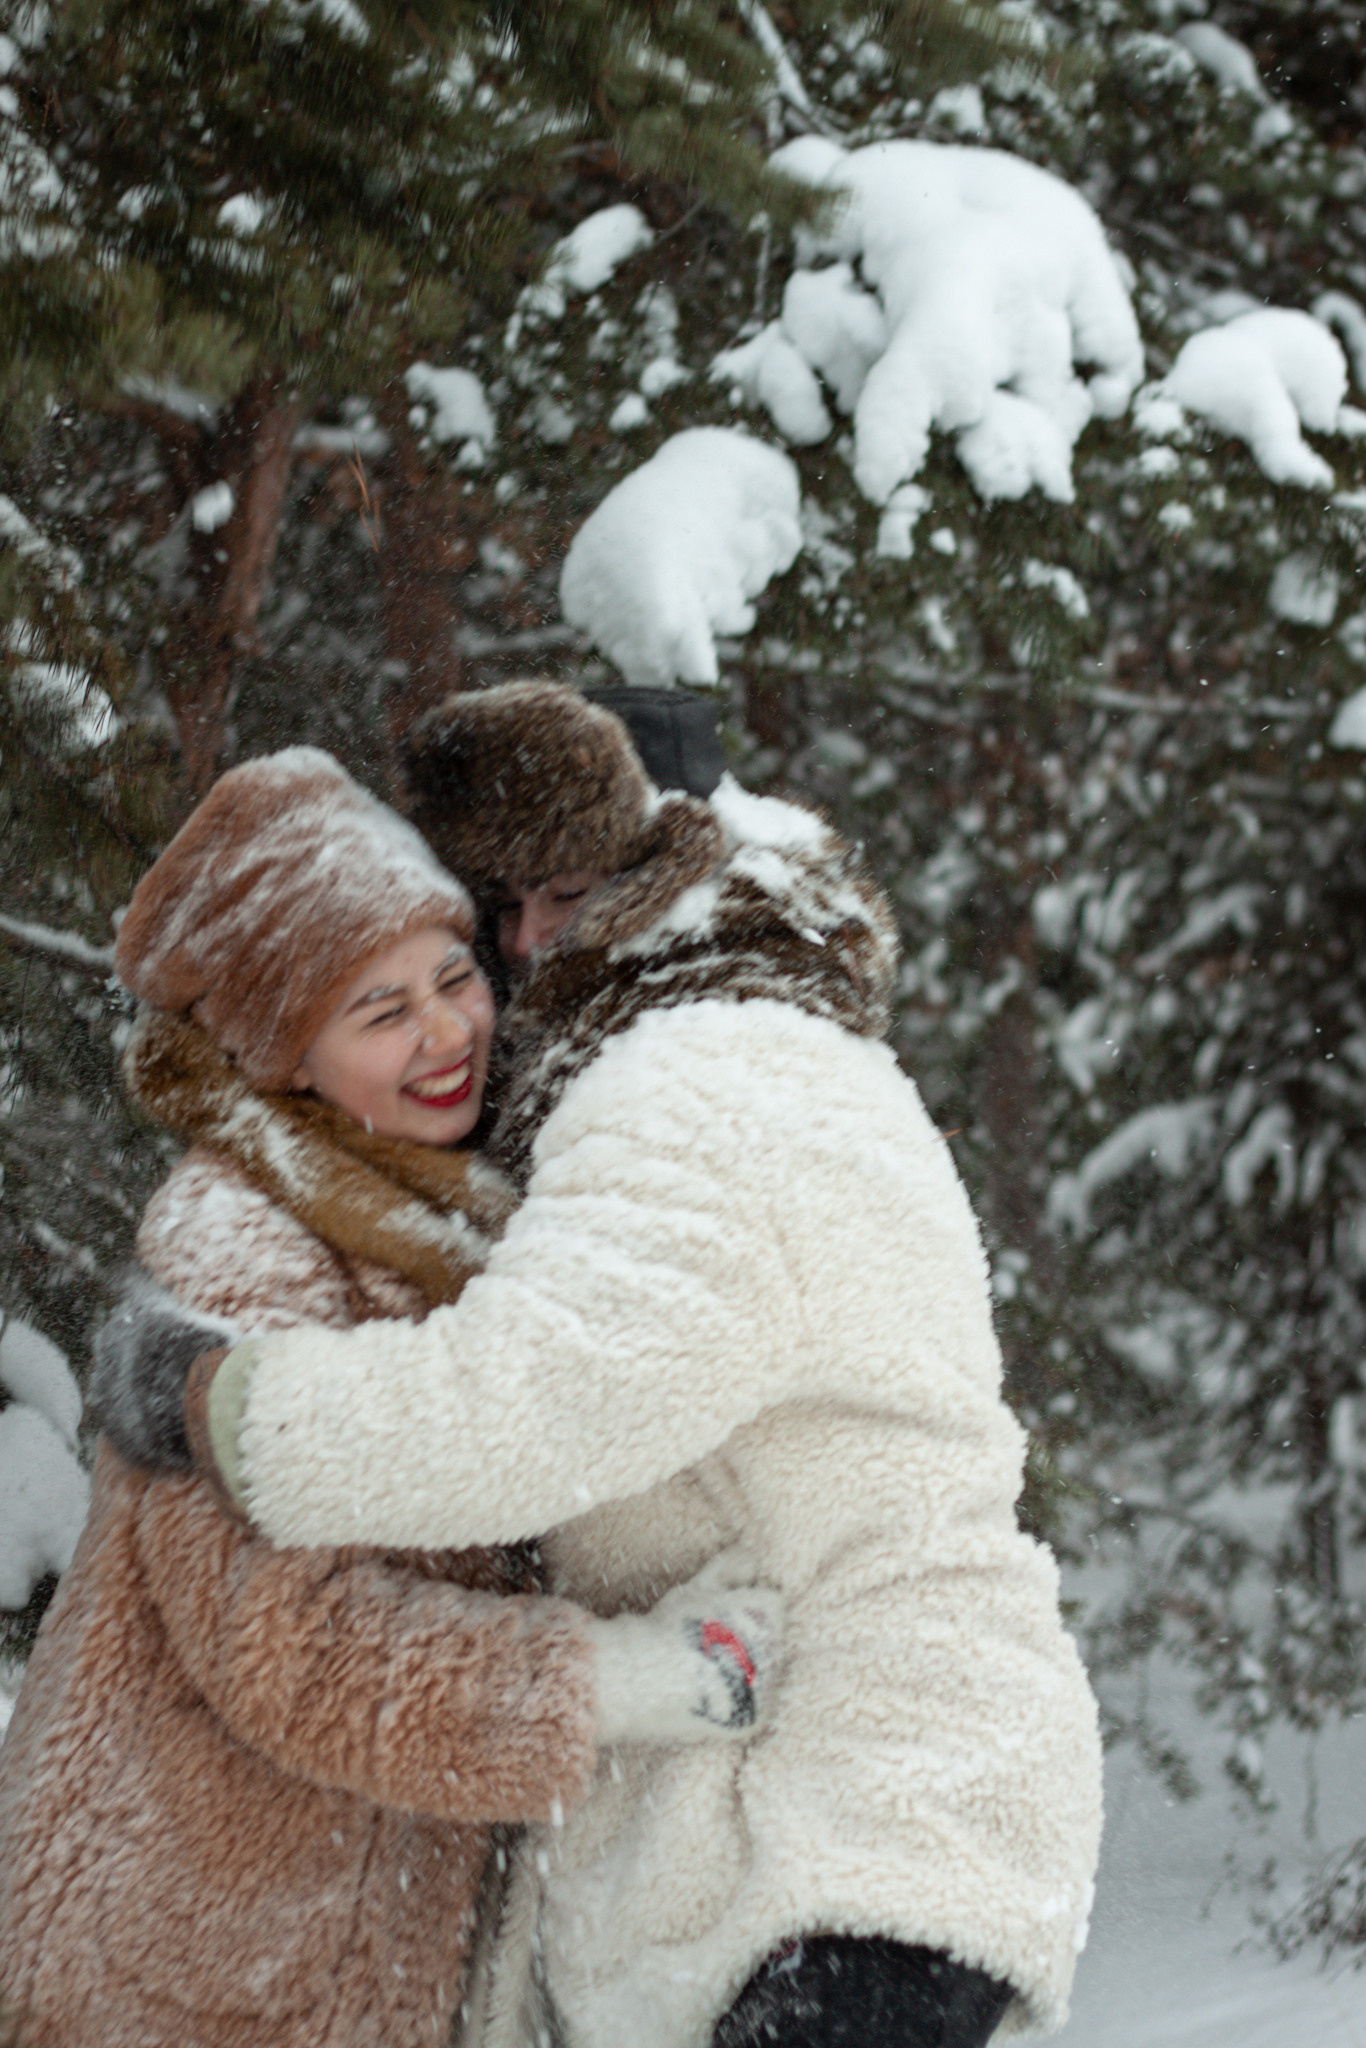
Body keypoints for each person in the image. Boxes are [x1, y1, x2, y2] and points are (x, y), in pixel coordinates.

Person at [97, 687, 1103, 2048]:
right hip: (853, 1804)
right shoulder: (760, 1047)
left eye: (559, 897)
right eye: (499, 909)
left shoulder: (700, 1081)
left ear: (665, 871)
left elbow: (526, 1406)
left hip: (848, 1813)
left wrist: (213, 1401)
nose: (519, 948)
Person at [0, 748, 780, 2048]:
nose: (447, 1031)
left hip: (318, 1947)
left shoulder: (433, 1206)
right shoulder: (238, 1245)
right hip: (173, 1966)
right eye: (379, 1011)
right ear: (286, 1056)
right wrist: (630, 1682)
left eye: (453, 976)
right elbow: (291, 1651)